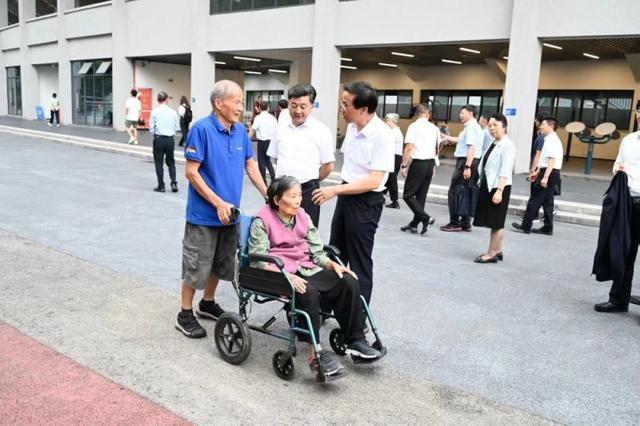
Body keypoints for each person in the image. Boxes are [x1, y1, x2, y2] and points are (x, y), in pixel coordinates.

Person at [248, 176, 383, 378]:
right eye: (292, 196)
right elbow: (259, 261)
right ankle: (315, 355)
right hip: (279, 273)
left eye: (300, 196)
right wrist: (287, 276)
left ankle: (355, 341)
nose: (298, 201)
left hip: (305, 268)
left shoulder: (302, 215)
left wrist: (333, 264)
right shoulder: (262, 221)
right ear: (277, 200)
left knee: (348, 281)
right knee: (307, 292)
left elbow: (318, 253)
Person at [175, 80, 267, 339]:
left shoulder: (240, 132)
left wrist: (268, 194)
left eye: (241, 101)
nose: (241, 107)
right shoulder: (201, 130)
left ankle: (207, 303)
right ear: (219, 103)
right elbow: (191, 173)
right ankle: (184, 313)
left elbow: (250, 165)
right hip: (204, 216)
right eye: (237, 101)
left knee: (220, 263)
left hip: (230, 216)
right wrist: (217, 203)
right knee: (196, 265)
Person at [312, 81, 394, 304]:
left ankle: (358, 317)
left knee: (359, 259)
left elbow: (374, 180)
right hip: (347, 195)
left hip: (366, 201)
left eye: (346, 104)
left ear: (364, 109)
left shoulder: (383, 136)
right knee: (335, 253)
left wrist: (335, 190)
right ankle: (326, 305)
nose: (342, 108)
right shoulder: (352, 127)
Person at [267, 84, 335, 228]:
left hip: (307, 191)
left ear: (311, 106)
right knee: (275, 231)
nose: (298, 111)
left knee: (305, 234)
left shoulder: (321, 131)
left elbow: (328, 166)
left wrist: (310, 181)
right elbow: (276, 156)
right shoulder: (280, 128)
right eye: (294, 105)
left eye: (303, 106)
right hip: (280, 188)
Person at [594, 108, 640, 313]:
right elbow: (617, 164)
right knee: (624, 250)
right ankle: (619, 299)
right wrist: (619, 169)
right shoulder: (629, 140)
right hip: (627, 202)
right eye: (639, 111)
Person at [473, 113, 517, 263]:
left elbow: (506, 169)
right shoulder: (495, 142)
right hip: (489, 185)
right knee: (495, 220)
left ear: (504, 127)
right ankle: (497, 250)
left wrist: (499, 190)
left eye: (495, 125)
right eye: (490, 125)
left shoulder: (508, 145)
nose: (491, 128)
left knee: (496, 222)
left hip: (499, 187)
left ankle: (491, 253)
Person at [512, 116, 563, 234]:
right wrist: (537, 172)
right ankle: (548, 227)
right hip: (549, 171)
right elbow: (546, 161)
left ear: (551, 126)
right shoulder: (549, 139)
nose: (541, 127)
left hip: (549, 172)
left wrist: (545, 177)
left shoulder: (552, 140)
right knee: (548, 201)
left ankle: (526, 225)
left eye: (544, 124)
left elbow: (551, 160)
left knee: (535, 198)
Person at [440, 105, 483, 232]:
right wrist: (447, 137)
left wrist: (467, 166)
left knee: (454, 191)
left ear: (470, 113)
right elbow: (461, 140)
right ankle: (465, 222)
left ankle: (454, 222)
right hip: (473, 161)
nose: (460, 115)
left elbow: (471, 147)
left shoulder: (470, 127)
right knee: (466, 191)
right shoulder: (474, 127)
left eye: (462, 113)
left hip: (466, 161)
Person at [399, 104, 439, 234]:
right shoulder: (434, 128)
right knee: (421, 195)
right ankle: (415, 224)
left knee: (408, 194)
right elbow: (436, 148)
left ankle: (426, 218)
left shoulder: (414, 127)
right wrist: (433, 165)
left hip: (419, 163)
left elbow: (409, 147)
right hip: (430, 163)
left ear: (417, 114)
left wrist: (404, 165)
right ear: (427, 114)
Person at [149, 91, 180, 193]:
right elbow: (177, 127)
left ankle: (161, 186)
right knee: (171, 161)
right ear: (167, 99)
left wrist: (156, 133)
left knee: (159, 163)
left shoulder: (154, 112)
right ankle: (174, 182)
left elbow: (151, 128)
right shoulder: (173, 112)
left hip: (159, 139)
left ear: (158, 100)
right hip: (170, 139)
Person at [249, 101, 278, 185]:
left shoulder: (258, 118)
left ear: (260, 108)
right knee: (268, 161)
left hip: (262, 142)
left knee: (261, 162)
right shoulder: (273, 118)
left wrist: (247, 139)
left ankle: (263, 181)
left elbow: (253, 129)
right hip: (271, 141)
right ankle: (273, 177)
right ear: (268, 108)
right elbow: (277, 131)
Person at [383, 113, 404, 209]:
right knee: (387, 177)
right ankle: (382, 196)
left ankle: (395, 201)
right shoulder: (393, 131)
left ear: (394, 121)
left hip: (394, 157)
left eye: (388, 120)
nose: (386, 122)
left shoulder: (394, 132)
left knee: (391, 178)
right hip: (394, 157)